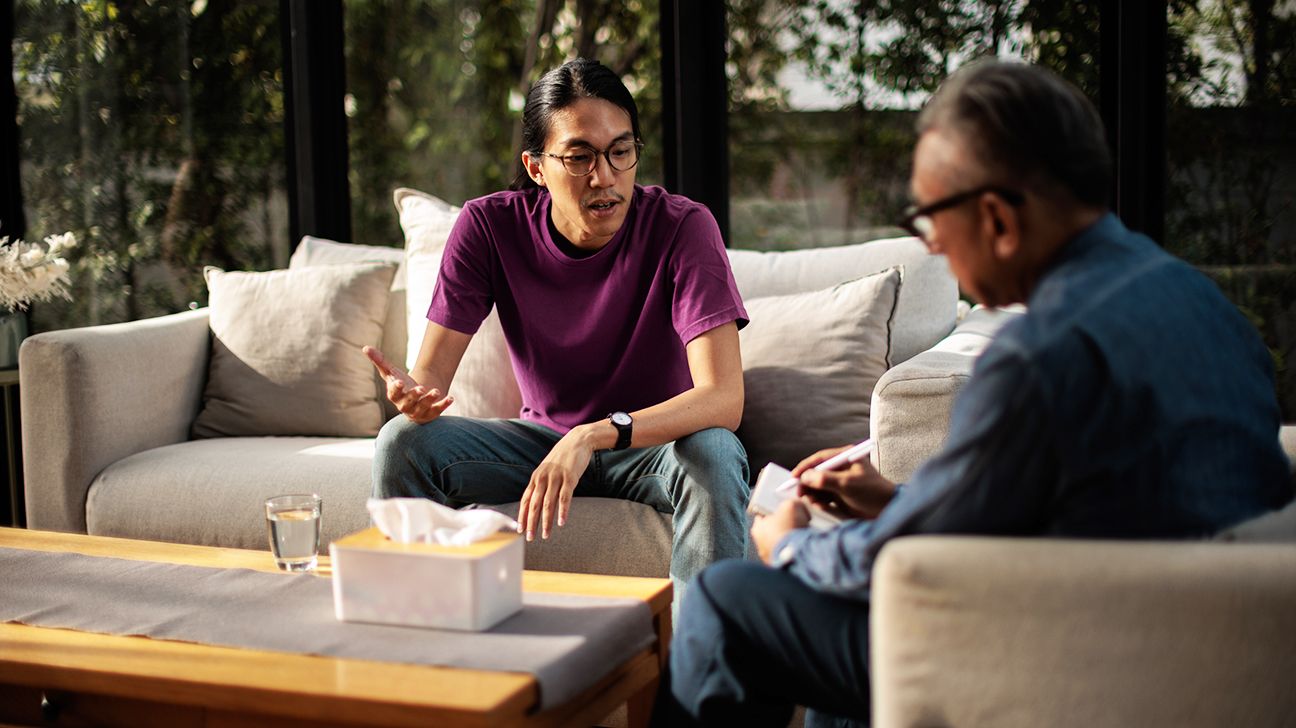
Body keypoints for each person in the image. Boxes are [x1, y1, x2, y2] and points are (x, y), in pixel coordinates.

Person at [657, 60, 1293, 727]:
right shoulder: (1209, 308)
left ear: (997, 219)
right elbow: (1056, 507)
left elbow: (897, 566)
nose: (930, 244)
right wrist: (891, 502)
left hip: (1052, 655)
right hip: (1179, 651)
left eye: (929, 218)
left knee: (727, 597)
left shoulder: (1039, 359)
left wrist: (788, 544)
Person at [368, 58, 750, 603]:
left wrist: (592, 434)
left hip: (656, 445)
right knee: (401, 444)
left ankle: (701, 673)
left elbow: (723, 399)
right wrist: (413, 397)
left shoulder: (684, 227)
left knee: (714, 450)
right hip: (540, 446)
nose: (606, 177)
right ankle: (422, 640)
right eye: (579, 157)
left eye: (621, 151)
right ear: (536, 166)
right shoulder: (487, 227)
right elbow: (429, 380)